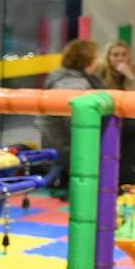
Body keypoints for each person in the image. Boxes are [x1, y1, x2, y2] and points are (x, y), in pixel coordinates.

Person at [39, 39, 107, 189]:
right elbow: (74, 121)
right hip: (67, 149)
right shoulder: (72, 83)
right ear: (88, 60)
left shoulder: (67, 78)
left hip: (63, 146)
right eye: (96, 57)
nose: (99, 61)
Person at [92, 39, 135, 183]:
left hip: (127, 119)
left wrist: (130, 77)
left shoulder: (130, 70)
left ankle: (129, 177)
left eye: (124, 54)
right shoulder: (100, 71)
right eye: (115, 55)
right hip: (107, 118)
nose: (120, 58)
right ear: (108, 57)